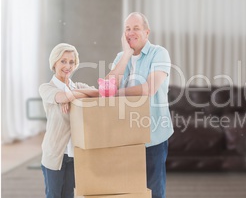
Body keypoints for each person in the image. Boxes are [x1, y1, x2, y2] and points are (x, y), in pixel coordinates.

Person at [106, 12, 173, 198]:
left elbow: (149, 88)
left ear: (146, 32)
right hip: (124, 135)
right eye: (127, 29)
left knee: (153, 189)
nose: (131, 32)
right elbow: (107, 87)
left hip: (152, 134)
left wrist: (117, 94)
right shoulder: (122, 56)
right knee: (126, 189)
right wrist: (126, 55)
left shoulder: (159, 53)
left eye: (136, 28)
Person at [39, 43, 99, 198]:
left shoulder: (77, 86)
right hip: (55, 154)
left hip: (74, 154)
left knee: (68, 195)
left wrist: (72, 93)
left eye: (71, 62)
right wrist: (67, 96)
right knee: (54, 195)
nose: (67, 66)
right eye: (63, 61)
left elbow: (98, 93)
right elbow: (62, 97)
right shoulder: (46, 88)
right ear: (54, 63)